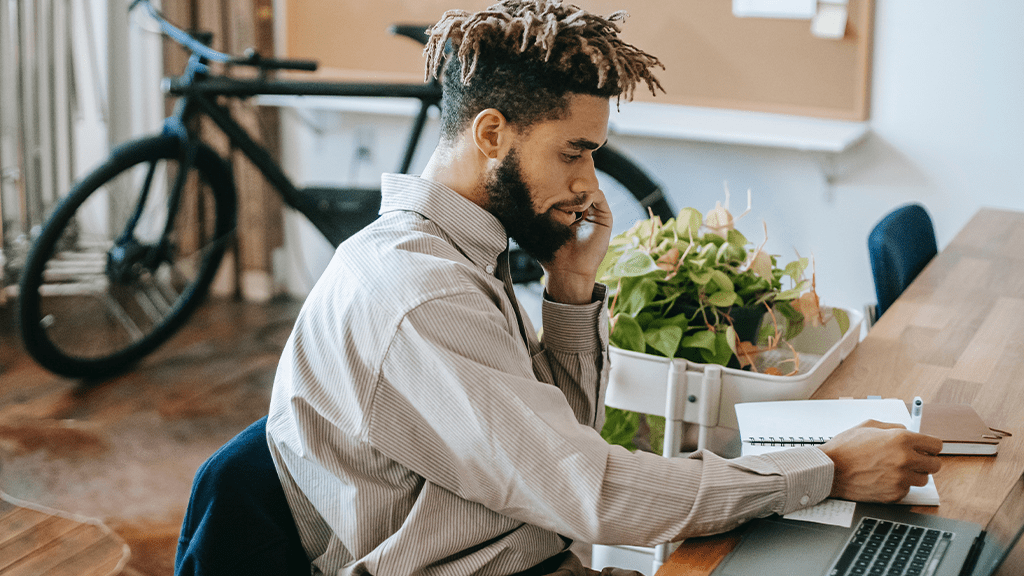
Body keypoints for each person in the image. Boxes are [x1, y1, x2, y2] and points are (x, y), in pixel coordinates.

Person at [265, 2, 943, 575]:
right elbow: (594, 492)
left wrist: (570, 288)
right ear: (492, 133)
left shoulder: (457, 256)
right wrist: (823, 471)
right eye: (572, 152)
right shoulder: (423, 294)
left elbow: (563, 447)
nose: (589, 182)